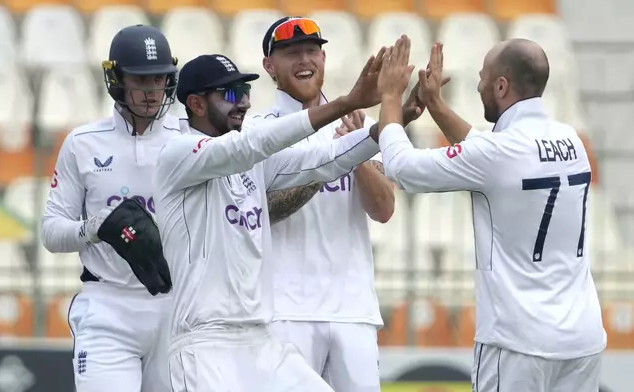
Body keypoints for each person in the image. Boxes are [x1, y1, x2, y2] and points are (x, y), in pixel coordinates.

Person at [373, 36, 606, 391]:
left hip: (518, 343)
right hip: (582, 340)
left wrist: (390, 98)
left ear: (501, 85)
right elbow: (490, 155)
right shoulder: (570, 138)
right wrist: (435, 105)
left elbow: (400, 167)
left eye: (482, 78)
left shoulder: (498, 155)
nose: (478, 85)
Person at [153, 50, 395, 391]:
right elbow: (251, 145)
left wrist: (392, 123)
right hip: (205, 342)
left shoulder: (251, 161)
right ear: (196, 103)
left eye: (245, 92)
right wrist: (344, 103)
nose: (244, 103)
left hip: (261, 339)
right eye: (231, 94)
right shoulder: (177, 154)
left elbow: (325, 158)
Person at [248, 17, 427, 391]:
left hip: (352, 310)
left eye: (312, 51)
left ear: (324, 59)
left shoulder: (355, 125)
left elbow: (383, 209)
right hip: (284, 311)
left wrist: (356, 154)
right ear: (269, 66)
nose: (304, 60)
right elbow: (265, 211)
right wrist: (335, 159)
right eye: (291, 53)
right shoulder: (257, 130)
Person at [41, 24, 180, 392]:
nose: (151, 92)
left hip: (177, 310)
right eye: (140, 79)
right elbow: (51, 232)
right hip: (108, 309)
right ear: (116, 78)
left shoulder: (190, 139)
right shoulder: (82, 143)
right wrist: (97, 226)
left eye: (159, 80)